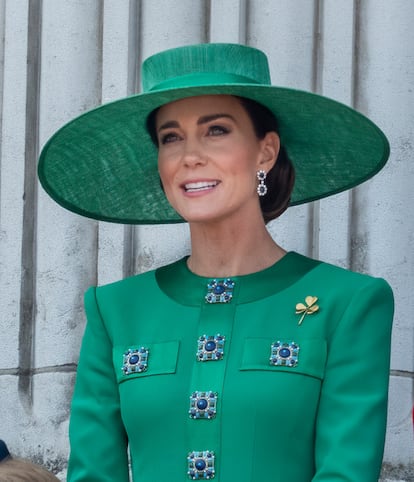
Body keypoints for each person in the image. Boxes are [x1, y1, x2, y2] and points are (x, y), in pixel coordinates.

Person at [38, 43, 394, 481]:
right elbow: (94, 474)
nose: (190, 156)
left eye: (217, 130)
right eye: (171, 137)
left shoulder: (349, 303)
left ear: (266, 151)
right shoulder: (114, 310)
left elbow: (347, 473)